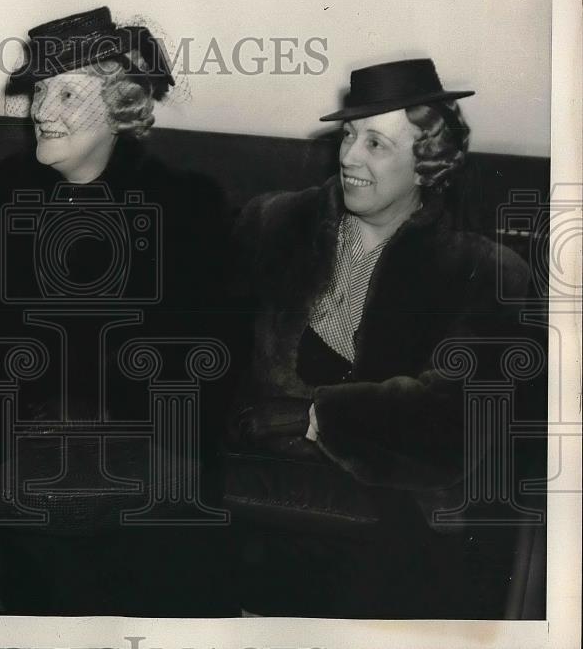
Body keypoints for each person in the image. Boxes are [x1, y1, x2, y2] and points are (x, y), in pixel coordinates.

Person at [0, 7, 236, 615]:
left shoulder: (186, 211)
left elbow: (210, 364)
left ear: (123, 105)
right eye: (41, 89)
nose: (43, 110)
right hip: (15, 445)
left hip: (148, 450)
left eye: (68, 92)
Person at [226, 58, 545, 618]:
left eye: (376, 143)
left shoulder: (485, 271)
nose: (349, 156)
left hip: (386, 520)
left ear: (428, 164)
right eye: (349, 135)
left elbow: (456, 422)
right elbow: (208, 351)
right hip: (251, 500)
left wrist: (311, 416)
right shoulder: (270, 225)